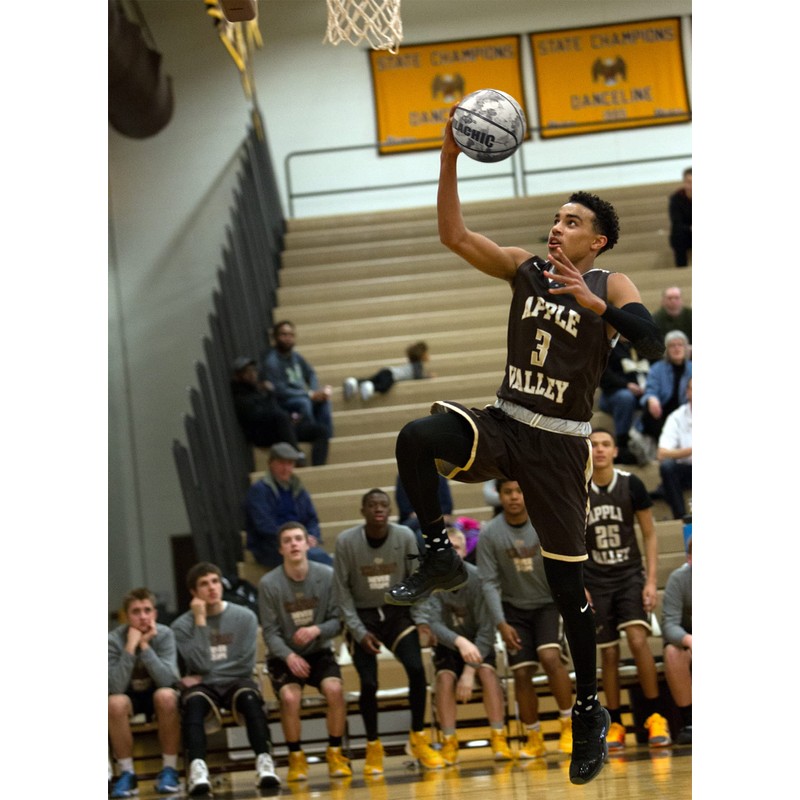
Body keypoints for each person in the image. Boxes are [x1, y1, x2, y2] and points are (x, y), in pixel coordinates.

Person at [384, 104, 665, 785]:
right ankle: (443, 553)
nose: (557, 226)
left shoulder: (608, 284)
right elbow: (453, 234)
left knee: (568, 585)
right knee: (416, 437)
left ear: (596, 242)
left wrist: (597, 307)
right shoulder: (525, 269)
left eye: (572, 221)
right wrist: (449, 157)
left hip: (562, 444)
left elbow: (651, 340)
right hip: (507, 420)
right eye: (557, 218)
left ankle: (591, 712)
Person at [332, 488, 445, 774]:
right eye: (372, 505)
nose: (378, 509)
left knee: (417, 670)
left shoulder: (405, 536)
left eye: (384, 504)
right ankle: (373, 746)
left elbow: (417, 581)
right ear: (363, 511)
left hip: (397, 613)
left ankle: (417, 738)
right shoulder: (346, 542)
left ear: (390, 510)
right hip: (363, 616)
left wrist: (421, 620)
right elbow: (341, 594)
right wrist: (358, 631)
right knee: (369, 683)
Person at [583, 429, 672, 750]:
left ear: (616, 451)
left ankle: (654, 716)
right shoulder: (578, 488)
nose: (600, 450)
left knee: (638, 641)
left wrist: (650, 581)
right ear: (587, 451)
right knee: (607, 652)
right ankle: (616, 722)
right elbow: (570, 540)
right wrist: (580, 585)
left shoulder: (630, 484)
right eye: (594, 445)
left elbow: (649, 534)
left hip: (630, 576)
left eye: (606, 444)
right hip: (595, 580)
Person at [477, 479, 575, 759]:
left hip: (547, 604)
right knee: (521, 672)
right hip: (513, 611)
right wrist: (500, 622)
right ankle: (534, 736)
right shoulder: (490, 534)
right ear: (499, 495)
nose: (514, 497)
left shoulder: (544, 522)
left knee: (550, 657)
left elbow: (564, 562)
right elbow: (488, 582)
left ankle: (568, 725)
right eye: (508, 492)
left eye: (519, 490)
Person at [171, 562, 281, 795]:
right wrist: (200, 622)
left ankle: (265, 762)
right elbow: (199, 663)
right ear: (193, 592)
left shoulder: (245, 617)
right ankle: (198, 769)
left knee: (250, 698)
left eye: (215, 581)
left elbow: (244, 664)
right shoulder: (181, 626)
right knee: (193, 703)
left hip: (235, 681)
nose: (211, 588)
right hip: (205, 689)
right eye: (204, 584)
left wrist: (206, 674)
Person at [258, 522, 352, 781]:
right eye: (287, 540)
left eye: (298, 538)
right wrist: (289, 656)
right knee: (290, 698)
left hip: (319, 649)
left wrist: (316, 630)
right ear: (280, 549)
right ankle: (296, 758)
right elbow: (270, 632)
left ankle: (334, 753)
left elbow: (338, 621)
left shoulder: (327, 575)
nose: (294, 544)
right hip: (284, 655)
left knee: (334, 690)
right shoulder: (269, 584)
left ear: (308, 543)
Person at [418, 528, 513, 765]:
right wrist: (459, 642)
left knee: (487, 673)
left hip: (479, 643)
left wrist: (470, 671)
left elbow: (487, 629)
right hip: (450, 645)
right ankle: (449, 742)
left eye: (456, 548)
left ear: (464, 551)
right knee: (444, 679)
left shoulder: (479, 579)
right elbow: (433, 624)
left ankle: (498, 737)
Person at [108, 587, 181, 798]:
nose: (143, 616)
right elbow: (115, 687)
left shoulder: (165, 634)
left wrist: (145, 646)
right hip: (129, 696)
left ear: (155, 614)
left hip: (157, 694)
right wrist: (130, 647)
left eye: (147, 610)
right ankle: (127, 773)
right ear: (126, 616)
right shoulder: (113, 640)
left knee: (167, 696)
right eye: (136, 611)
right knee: (114, 702)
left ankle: (169, 770)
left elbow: (168, 680)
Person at [244, 442, 333, 568]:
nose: (286, 468)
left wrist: (311, 536)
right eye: (281, 463)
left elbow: (312, 518)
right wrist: (295, 539)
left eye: (289, 463)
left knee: (319, 557)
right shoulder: (259, 490)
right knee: (317, 557)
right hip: (271, 546)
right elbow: (263, 525)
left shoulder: (299, 489)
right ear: (271, 463)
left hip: (299, 542)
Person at [231, 356, 329, 466]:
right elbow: (258, 416)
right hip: (264, 434)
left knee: (320, 430)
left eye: (253, 370)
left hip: (282, 428)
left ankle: (318, 468)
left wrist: (290, 417)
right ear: (238, 376)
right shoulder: (241, 396)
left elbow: (275, 409)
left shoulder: (259, 389)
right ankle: (296, 454)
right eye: (247, 372)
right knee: (283, 415)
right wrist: (283, 415)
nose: (252, 374)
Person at [263, 320, 334, 438]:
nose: (288, 338)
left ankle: (326, 438)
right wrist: (310, 395)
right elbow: (281, 391)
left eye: (291, 335)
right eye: (284, 334)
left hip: (303, 395)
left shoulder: (295, 356)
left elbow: (310, 373)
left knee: (324, 401)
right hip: (285, 402)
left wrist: (314, 390)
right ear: (275, 337)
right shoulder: (272, 362)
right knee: (304, 403)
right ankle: (312, 436)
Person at [638, 330, 692, 452]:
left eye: (680, 345)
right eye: (672, 345)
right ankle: (664, 447)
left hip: (686, 412)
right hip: (662, 412)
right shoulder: (657, 368)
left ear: (686, 348)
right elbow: (650, 390)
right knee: (648, 410)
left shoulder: (693, 368)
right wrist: (652, 399)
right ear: (666, 349)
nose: (676, 348)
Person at [597, 339, 649, 465]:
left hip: (640, 394)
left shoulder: (640, 346)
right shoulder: (608, 346)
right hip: (613, 394)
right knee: (625, 398)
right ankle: (622, 444)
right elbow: (603, 375)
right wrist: (626, 385)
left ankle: (647, 448)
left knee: (653, 400)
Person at [662, 537, 692, 744]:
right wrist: (689, 639)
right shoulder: (679, 579)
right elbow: (669, 624)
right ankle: (690, 721)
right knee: (673, 652)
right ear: (690, 558)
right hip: (693, 641)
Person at [343, 341, 434, 402]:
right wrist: (428, 377)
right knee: (384, 387)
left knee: (371, 379)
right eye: (426, 353)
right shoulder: (418, 365)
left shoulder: (413, 365)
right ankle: (372, 387)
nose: (428, 356)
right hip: (391, 375)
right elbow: (417, 377)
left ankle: (354, 382)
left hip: (387, 370)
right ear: (421, 356)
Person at [657, 377, 693, 520]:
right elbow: (662, 453)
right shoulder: (677, 417)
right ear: (687, 392)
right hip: (687, 471)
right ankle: (681, 516)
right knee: (667, 467)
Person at [395, 472, 453, 539]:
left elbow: (447, 506)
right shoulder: (405, 475)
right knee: (421, 534)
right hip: (414, 521)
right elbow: (405, 508)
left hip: (436, 518)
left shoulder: (439, 475)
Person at [668, 167, 691, 267]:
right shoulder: (676, 198)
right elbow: (676, 222)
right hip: (686, 233)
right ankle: (681, 269)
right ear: (684, 182)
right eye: (688, 182)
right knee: (678, 234)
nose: (691, 185)